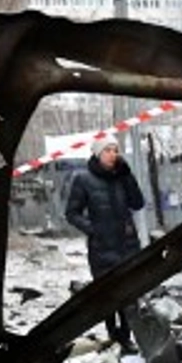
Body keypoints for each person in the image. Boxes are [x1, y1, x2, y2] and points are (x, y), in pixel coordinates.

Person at [64, 136, 145, 352]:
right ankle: (113, 334)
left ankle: (127, 337)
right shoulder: (83, 179)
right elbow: (72, 213)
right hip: (102, 247)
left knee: (129, 293)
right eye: (108, 150)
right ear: (98, 154)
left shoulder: (122, 176)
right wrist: (94, 230)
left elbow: (138, 203)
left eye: (115, 150)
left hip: (127, 244)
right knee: (107, 294)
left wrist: (128, 177)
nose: (113, 154)